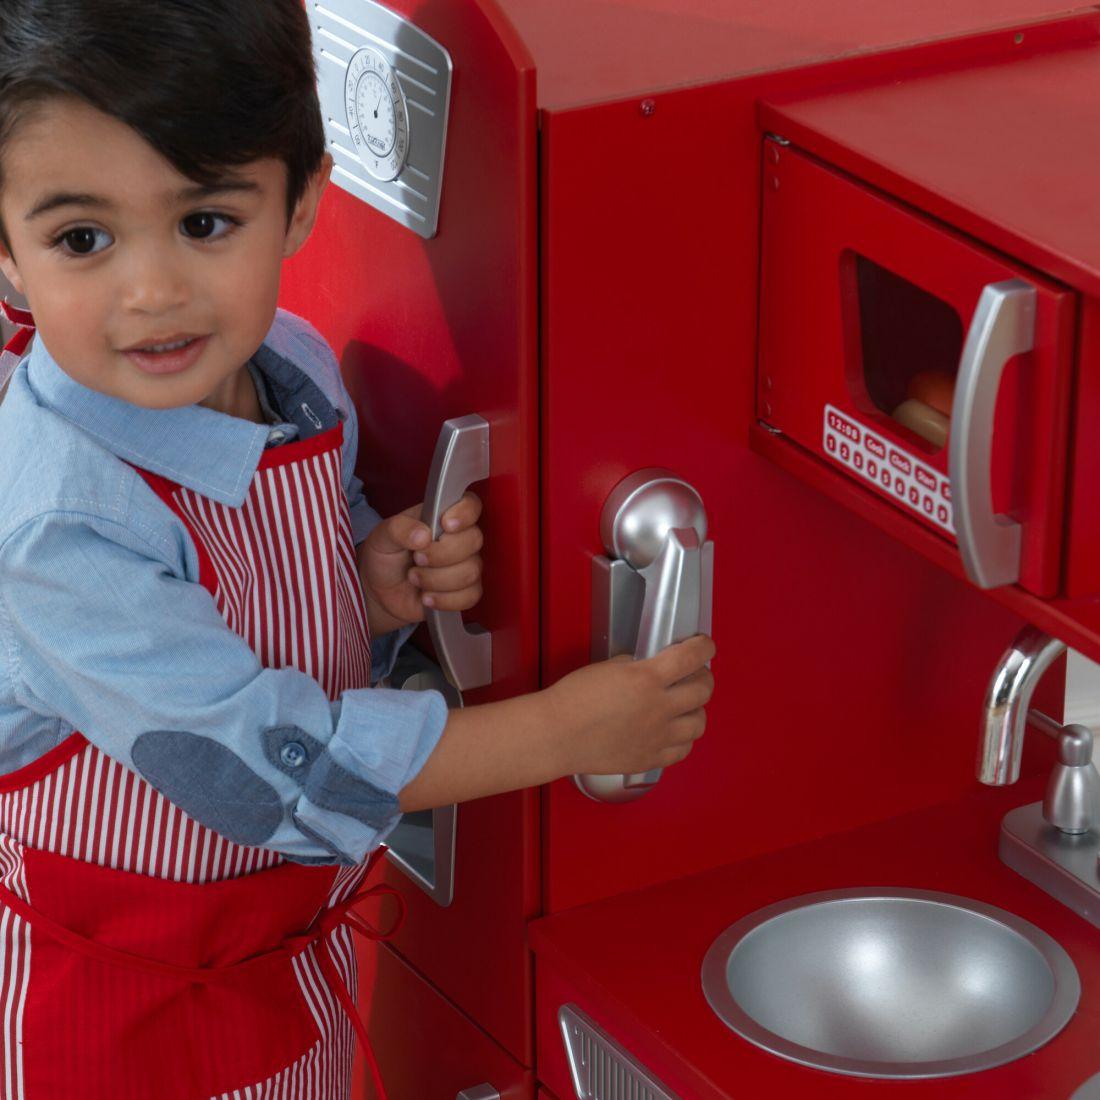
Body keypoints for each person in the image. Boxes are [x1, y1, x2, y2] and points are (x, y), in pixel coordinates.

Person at [0, 1, 717, 1097]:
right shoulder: (59, 524)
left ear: (301, 207)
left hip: (279, 960)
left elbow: (266, 600)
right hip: (117, 1012)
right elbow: (266, 768)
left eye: (204, 222)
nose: (149, 294)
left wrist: (366, 589)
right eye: (81, 239)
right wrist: (569, 729)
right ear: (6, 251)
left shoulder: (288, 367)